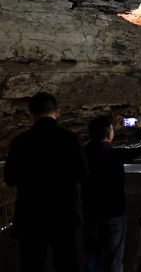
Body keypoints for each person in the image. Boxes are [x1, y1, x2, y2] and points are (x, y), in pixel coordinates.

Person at [4, 92, 88, 272]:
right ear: (57, 112)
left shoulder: (20, 142)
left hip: (30, 215)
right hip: (63, 213)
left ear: (32, 114)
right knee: (67, 262)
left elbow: (10, 178)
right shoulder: (70, 139)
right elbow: (83, 174)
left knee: (32, 264)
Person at [81, 115, 141, 272]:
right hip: (113, 213)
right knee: (113, 258)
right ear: (110, 135)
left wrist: (109, 130)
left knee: (92, 257)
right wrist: (140, 129)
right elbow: (140, 146)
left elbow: (90, 143)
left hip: (90, 213)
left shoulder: (83, 153)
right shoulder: (115, 153)